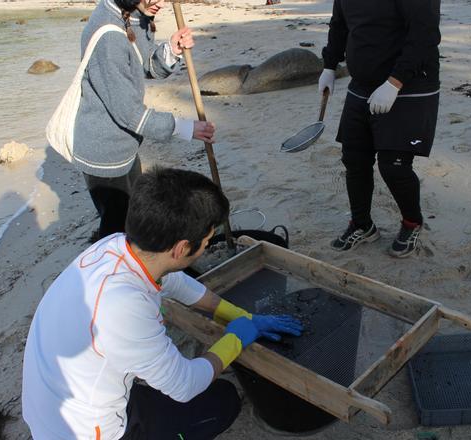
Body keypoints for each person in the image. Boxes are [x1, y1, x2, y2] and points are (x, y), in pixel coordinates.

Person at [22, 167, 303, 440]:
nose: (206, 246)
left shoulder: (115, 247)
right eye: (206, 241)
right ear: (181, 248)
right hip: (84, 432)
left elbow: (176, 282)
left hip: (56, 402)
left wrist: (237, 314)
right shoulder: (124, 309)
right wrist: (236, 338)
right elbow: (185, 386)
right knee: (224, 402)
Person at [74, 0, 216, 240]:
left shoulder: (131, 13)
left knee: (135, 219)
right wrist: (184, 128)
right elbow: (129, 114)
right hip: (104, 154)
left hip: (125, 145)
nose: (161, 3)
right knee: (117, 231)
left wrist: (172, 49)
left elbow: (146, 65)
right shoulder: (108, 36)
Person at [318, 0, 441, 257]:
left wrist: (395, 83)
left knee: (393, 165)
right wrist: (329, 65)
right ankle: (362, 225)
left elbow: (425, 34)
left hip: (411, 84)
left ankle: (411, 223)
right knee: (354, 158)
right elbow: (340, 26)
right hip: (362, 83)